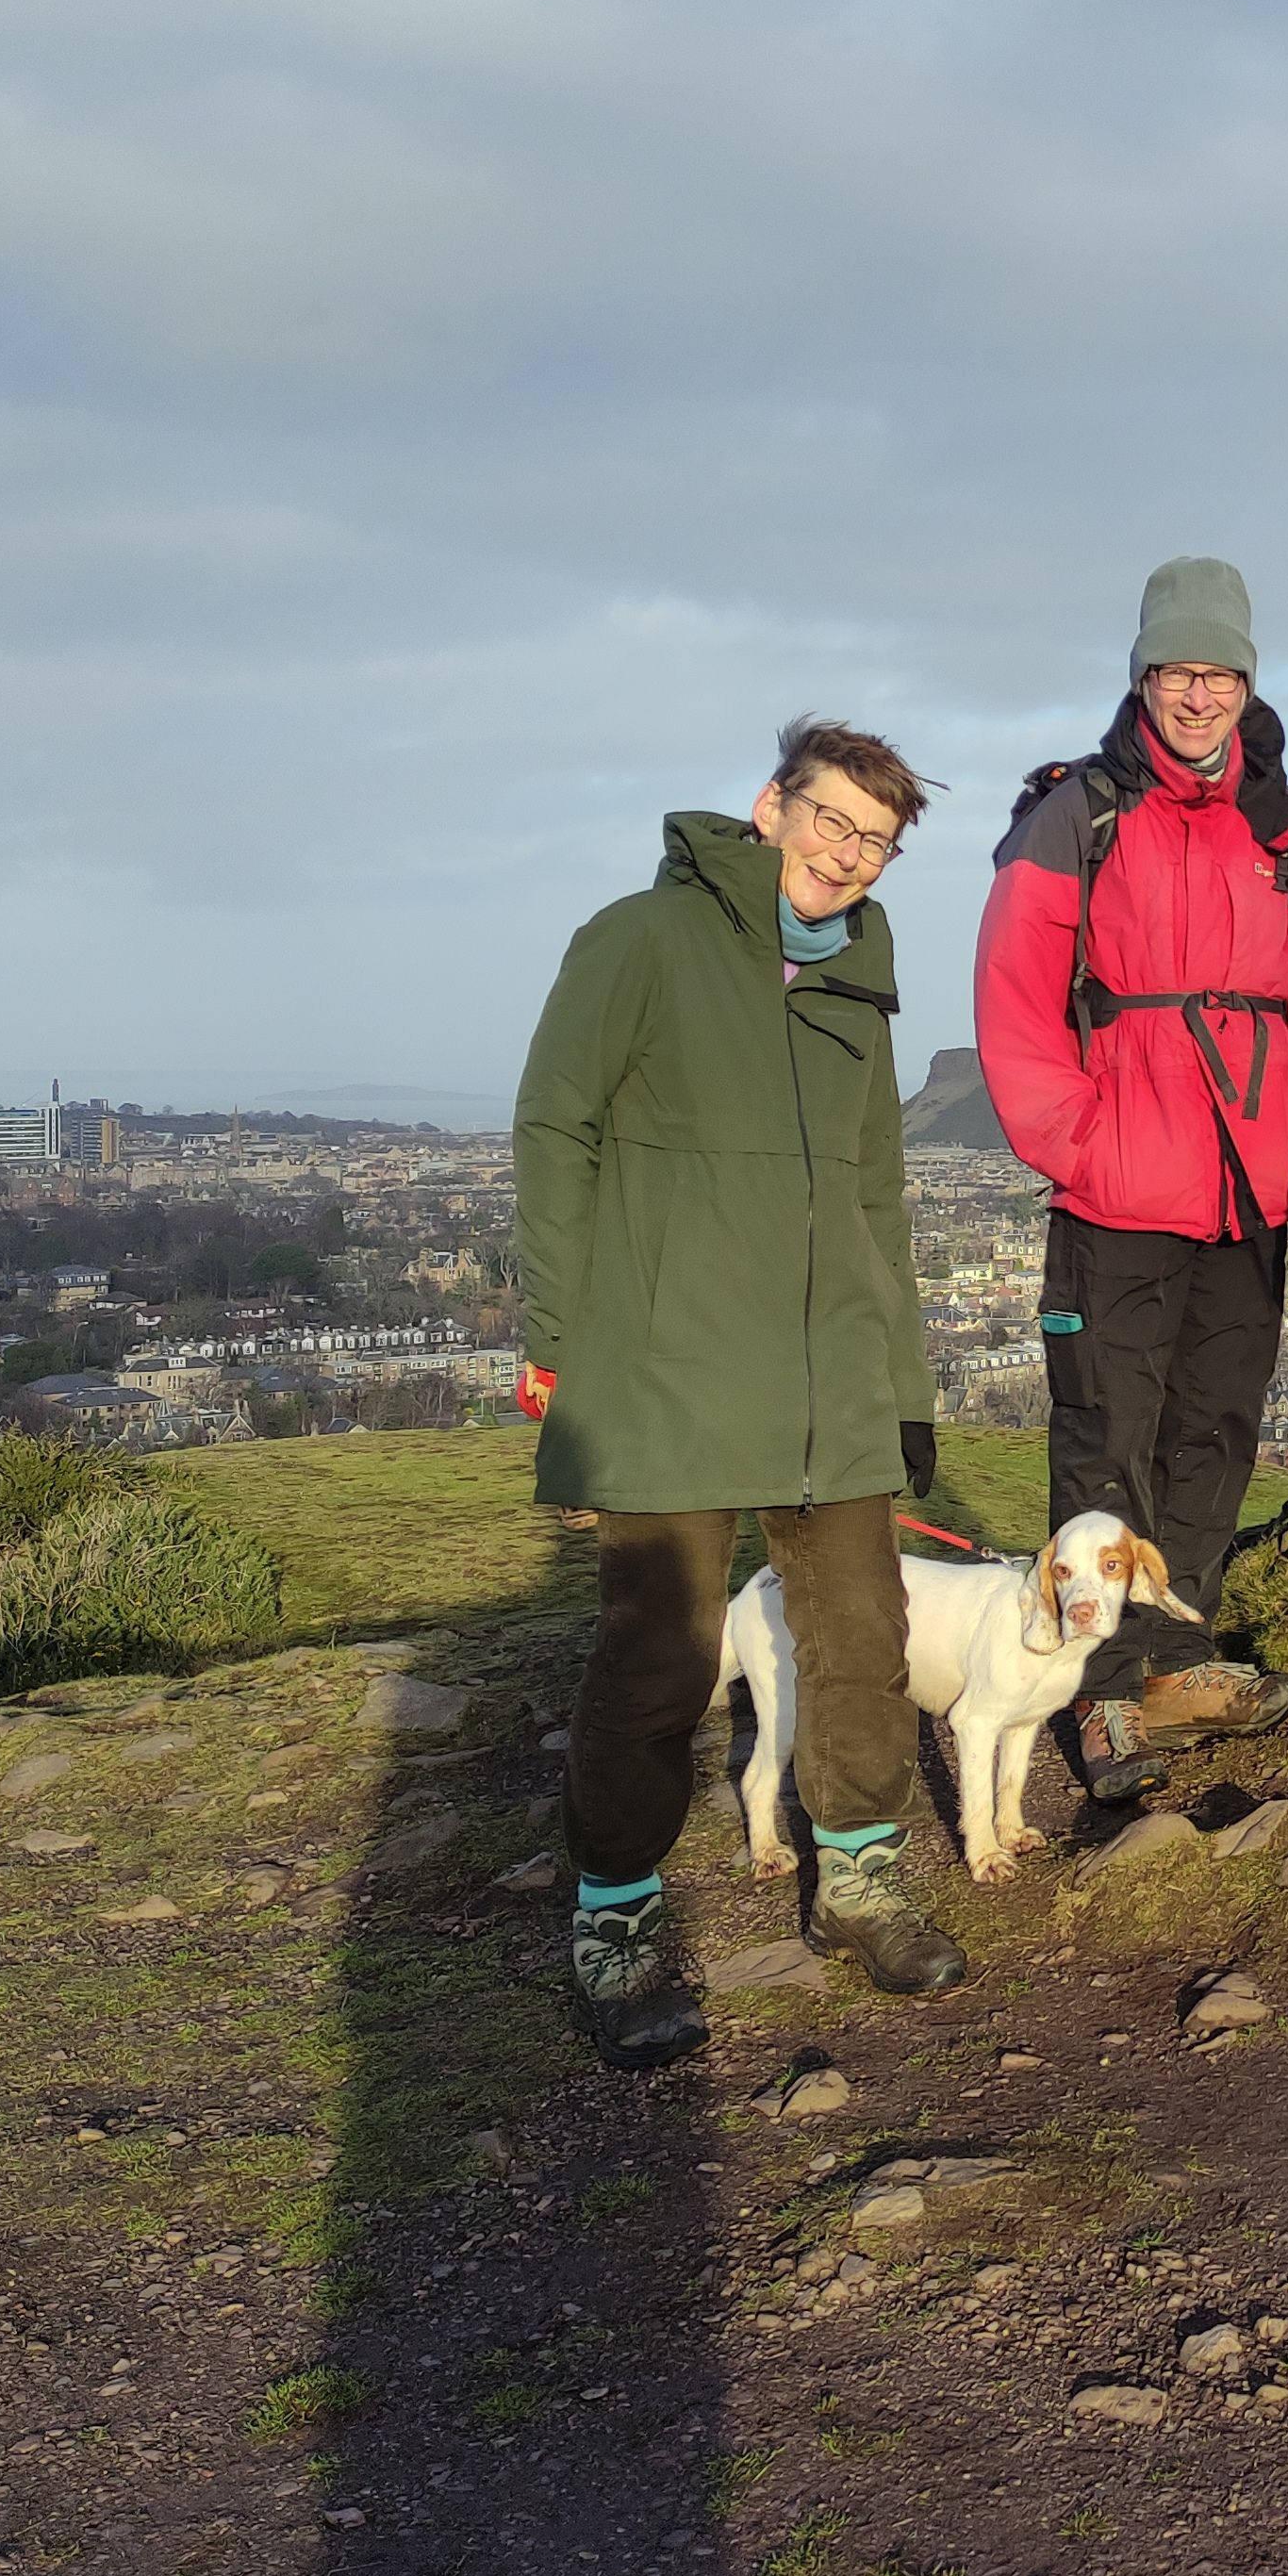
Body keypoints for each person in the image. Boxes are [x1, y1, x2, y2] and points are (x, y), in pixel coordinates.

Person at [515, 718, 958, 2066]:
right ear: (770, 808)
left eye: (876, 843)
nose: (847, 855)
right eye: (830, 821)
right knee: (659, 1654)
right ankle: (616, 1913)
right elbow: (555, 1126)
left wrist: (904, 1375)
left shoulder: (862, 980)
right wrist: (562, 1335)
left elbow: (875, 1194)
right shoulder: (639, 941)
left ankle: (864, 1881)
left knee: (860, 1637)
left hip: (830, 1371)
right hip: (668, 1361)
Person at [978, 558, 1288, 1804]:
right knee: (1108, 1436)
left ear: (1246, 682)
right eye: (1176, 671)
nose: (1198, 696)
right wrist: (1079, 1144)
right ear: (1143, 677)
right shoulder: (1080, 816)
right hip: (1115, 1194)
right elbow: (1015, 990)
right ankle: (1099, 1699)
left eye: (1218, 673)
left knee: (1217, 1430)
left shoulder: (1286, 830)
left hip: (1244, 1192)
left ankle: (1172, 1667)